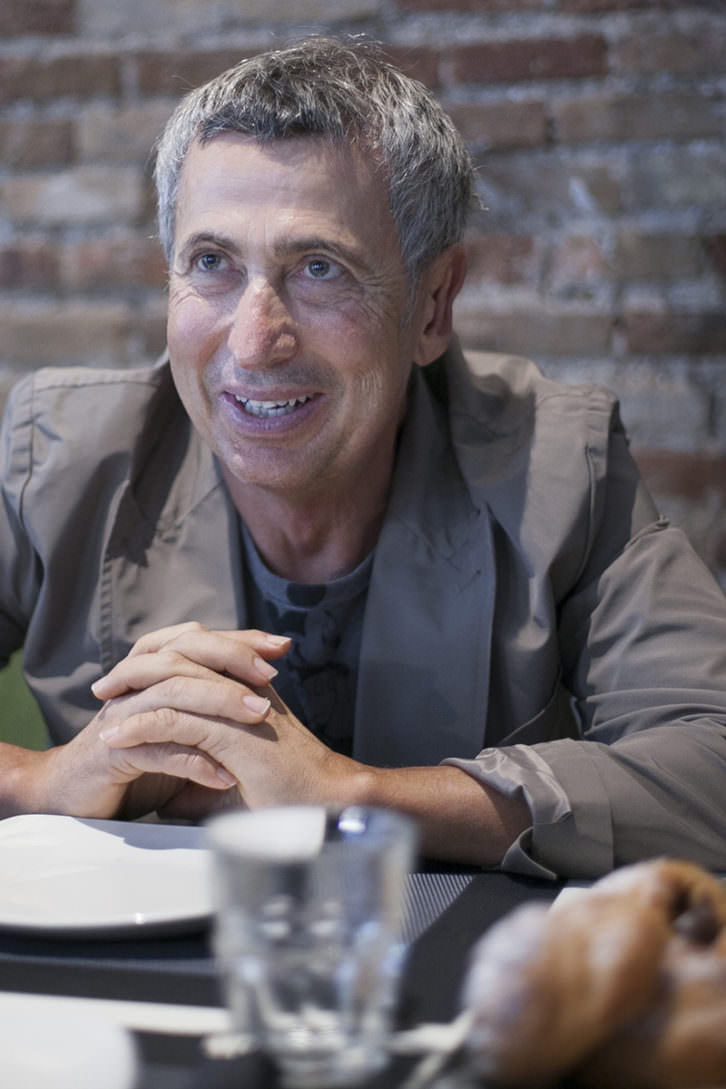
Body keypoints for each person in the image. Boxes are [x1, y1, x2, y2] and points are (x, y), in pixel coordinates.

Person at [0, 37, 725, 880]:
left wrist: (346, 795)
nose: (253, 341)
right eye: (211, 263)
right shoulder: (56, 454)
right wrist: (50, 779)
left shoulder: (564, 465)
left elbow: (711, 763)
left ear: (432, 304)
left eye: (318, 268)